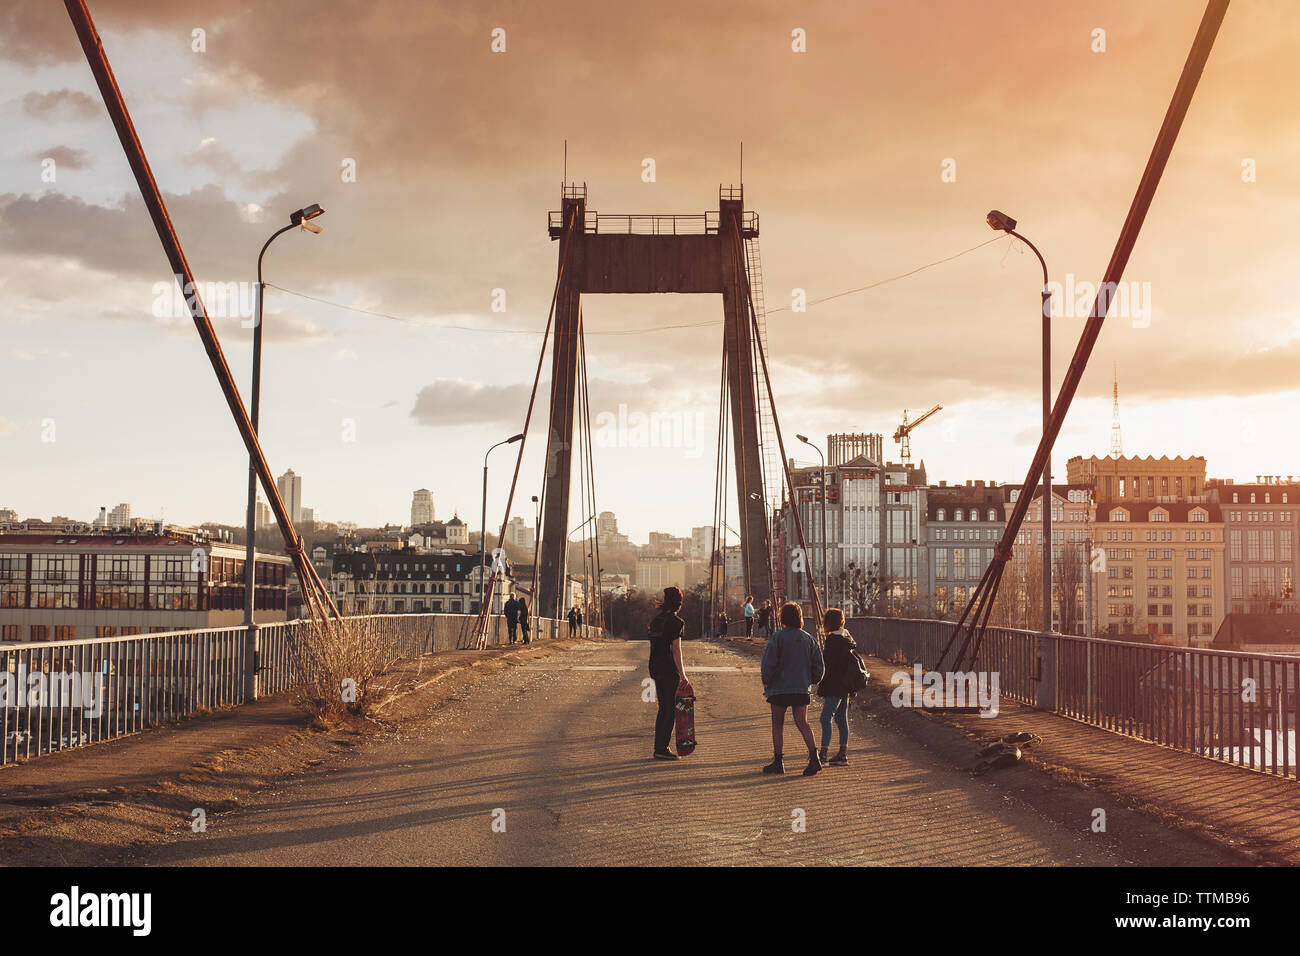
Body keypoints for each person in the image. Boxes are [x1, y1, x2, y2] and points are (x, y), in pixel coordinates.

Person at [759, 602, 825, 776]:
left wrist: (767, 680)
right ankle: (814, 758)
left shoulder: (777, 638)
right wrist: (810, 680)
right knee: (802, 723)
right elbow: (819, 667)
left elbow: (769, 663)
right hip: (801, 689)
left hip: (779, 689)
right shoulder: (808, 639)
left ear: (783, 618)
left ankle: (779, 761)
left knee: (777, 724)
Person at [646, 586, 688, 760]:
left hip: (655, 667)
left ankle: (659, 746)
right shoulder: (676, 622)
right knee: (669, 709)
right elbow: (676, 650)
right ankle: (661, 748)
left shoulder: (656, 621)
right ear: (679, 603)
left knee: (663, 707)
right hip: (668, 668)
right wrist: (683, 675)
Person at [815, 608, 859, 766]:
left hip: (835, 685)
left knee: (825, 718)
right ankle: (842, 753)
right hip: (845, 685)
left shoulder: (833, 640)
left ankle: (823, 754)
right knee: (841, 718)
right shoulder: (847, 638)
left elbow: (828, 665)